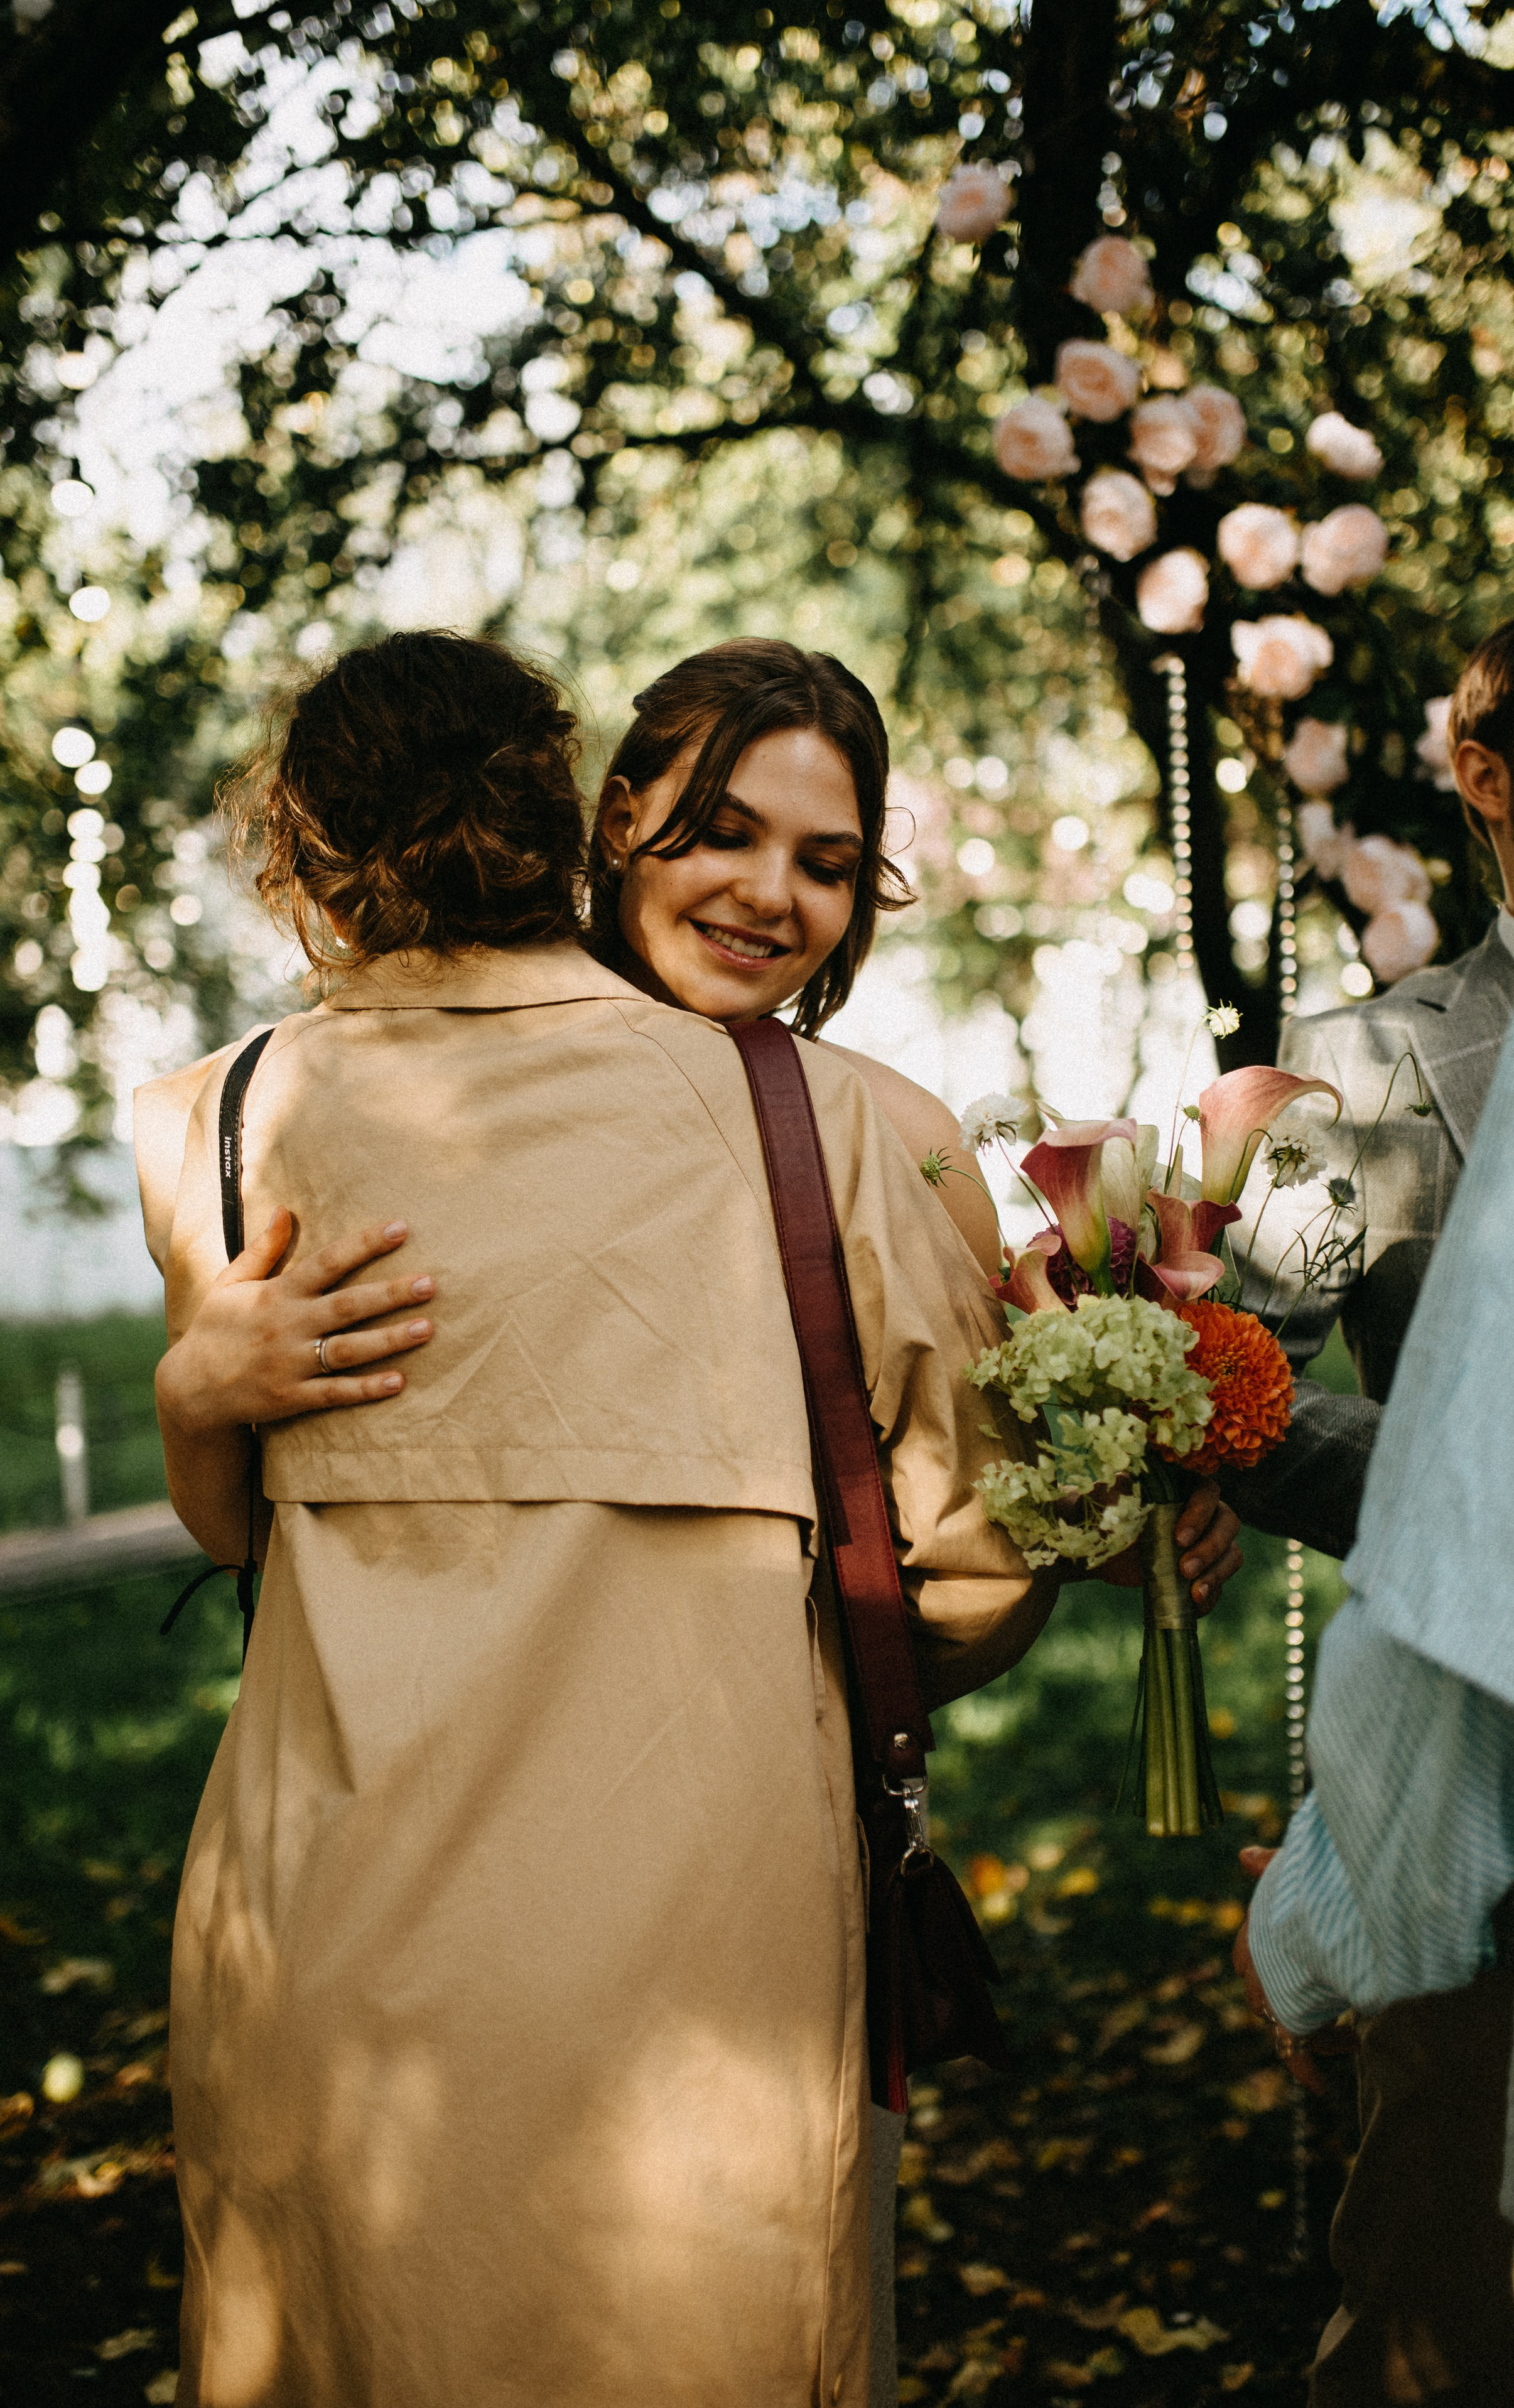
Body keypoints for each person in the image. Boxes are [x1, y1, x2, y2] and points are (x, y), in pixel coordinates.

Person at [149, 634, 1244, 2408]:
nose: (766, 894)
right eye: (722, 832)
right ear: (594, 817)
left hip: (321, 1932)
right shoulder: (849, 1124)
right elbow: (970, 1559)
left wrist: (192, 1396)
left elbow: (238, 1537)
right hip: (700, 1966)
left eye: (824, 861)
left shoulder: (228, 1116)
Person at [1219, 578, 1514, 2407]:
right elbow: (1244, 1379)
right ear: (1482, 767)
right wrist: (1481, 1491)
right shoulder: (1367, 1067)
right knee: (1435, 2311)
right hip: (1470, 1804)